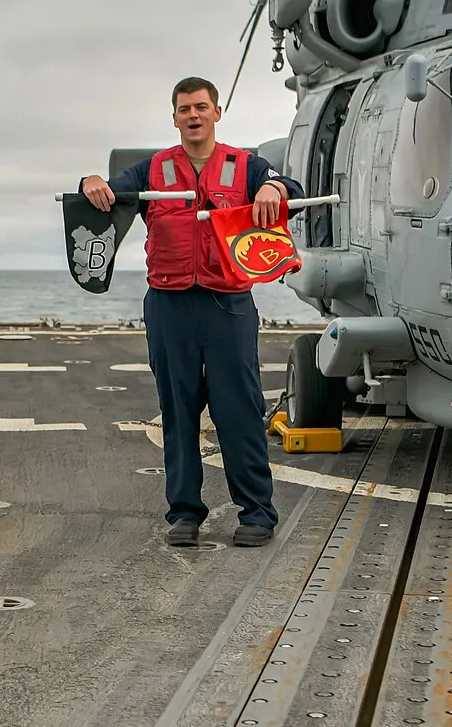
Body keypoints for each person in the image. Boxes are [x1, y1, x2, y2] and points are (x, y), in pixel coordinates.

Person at [78, 76, 300, 547]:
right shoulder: (153, 170)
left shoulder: (247, 167)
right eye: (184, 109)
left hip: (228, 304)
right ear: (175, 117)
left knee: (239, 408)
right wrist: (89, 181)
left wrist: (274, 188)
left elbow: (291, 186)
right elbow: (107, 193)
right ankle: (184, 513)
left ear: (217, 113)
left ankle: (257, 513)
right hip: (169, 305)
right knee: (177, 410)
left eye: (201, 107)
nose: (193, 116)